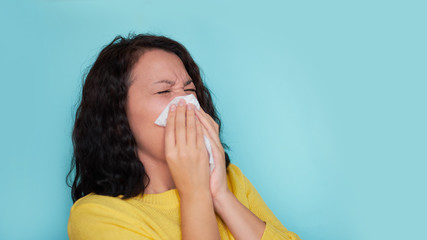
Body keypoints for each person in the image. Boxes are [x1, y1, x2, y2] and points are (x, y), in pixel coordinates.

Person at [67, 33, 301, 240]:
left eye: (189, 90)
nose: (187, 104)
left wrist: (221, 195)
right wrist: (195, 192)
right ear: (117, 118)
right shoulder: (97, 216)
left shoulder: (231, 179)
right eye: (164, 91)